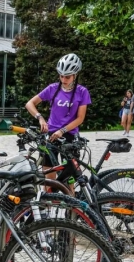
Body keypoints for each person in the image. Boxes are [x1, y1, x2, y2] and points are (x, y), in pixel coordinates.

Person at [25, 53, 91, 181]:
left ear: (75, 75)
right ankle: (50, 200)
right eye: (61, 76)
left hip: (69, 136)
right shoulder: (52, 88)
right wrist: (40, 117)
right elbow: (29, 103)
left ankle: (70, 199)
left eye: (67, 77)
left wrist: (62, 130)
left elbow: (80, 118)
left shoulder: (82, 92)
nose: (64, 79)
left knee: (69, 177)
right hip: (50, 135)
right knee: (49, 177)